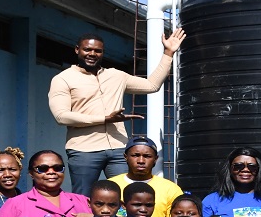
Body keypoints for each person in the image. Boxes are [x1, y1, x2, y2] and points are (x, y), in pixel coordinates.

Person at [49, 29, 186, 196]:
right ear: (77, 49)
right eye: (87, 50)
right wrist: (105, 119)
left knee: (126, 195)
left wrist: (168, 53)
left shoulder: (115, 75)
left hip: (118, 148)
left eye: (98, 51)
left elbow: (152, 85)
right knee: (83, 197)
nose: (92, 54)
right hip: (84, 149)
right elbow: (61, 116)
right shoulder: (63, 79)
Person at [109, 136, 183, 217]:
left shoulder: (171, 189)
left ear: (155, 159)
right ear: (126, 157)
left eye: (147, 156)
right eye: (135, 155)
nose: (141, 161)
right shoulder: (110, 186)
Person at [202, 147, 261, 217]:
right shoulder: (212, 201)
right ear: (229, 168)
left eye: (252, 166)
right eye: (238, 166)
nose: (245, 170)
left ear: (259, 169)